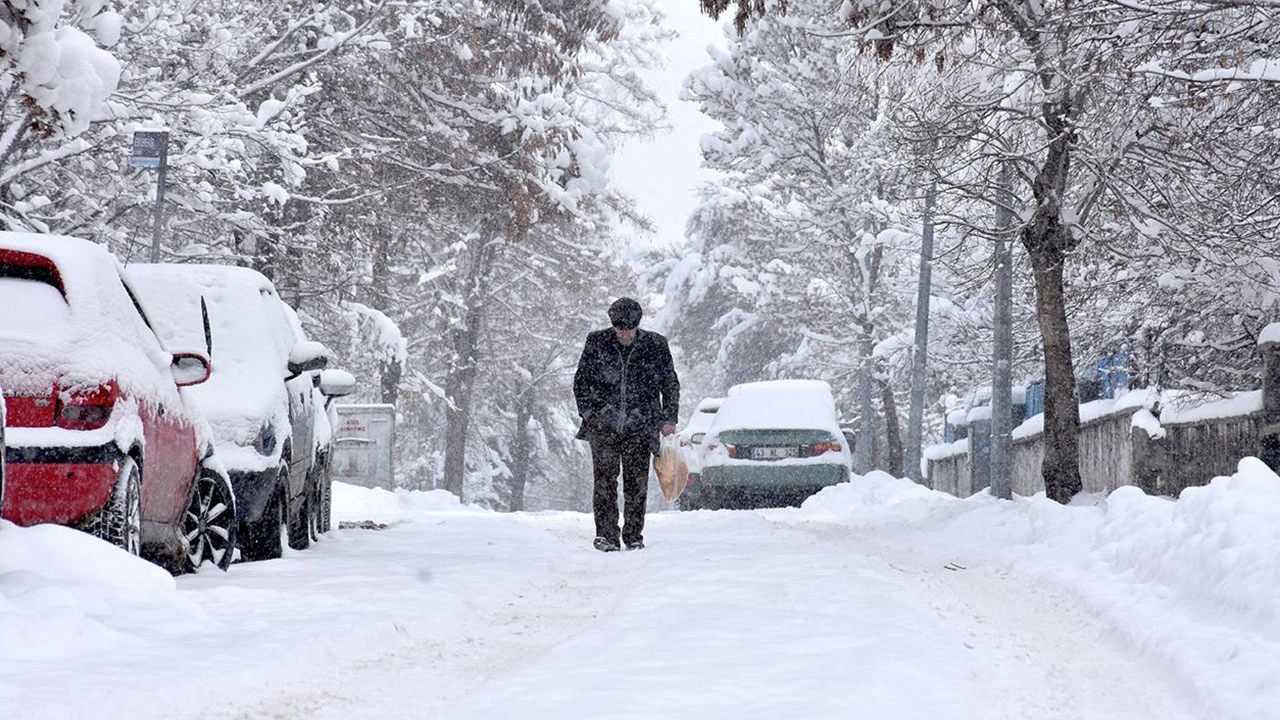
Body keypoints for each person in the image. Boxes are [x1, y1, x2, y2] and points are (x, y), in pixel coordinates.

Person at [573, 297, 680, 552]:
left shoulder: (655, 345)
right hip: (603, 426)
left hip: (640, 425)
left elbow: (670, 383)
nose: (624, 334)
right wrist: (590, 414)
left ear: (637, 326)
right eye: (619, 329)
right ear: (612, 326)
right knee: (605, 481)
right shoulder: (597, 342)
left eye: (628, 330)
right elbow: (581, 381)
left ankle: (633, 535)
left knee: (636, 482)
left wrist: (669, 418)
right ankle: (606, 535)